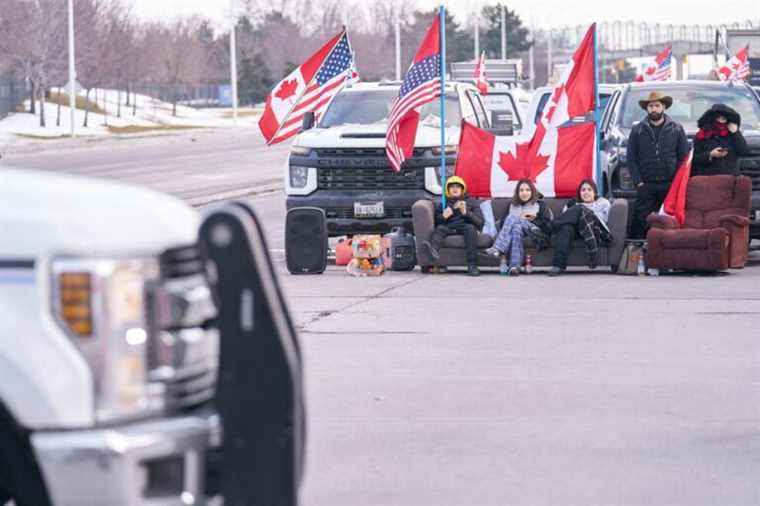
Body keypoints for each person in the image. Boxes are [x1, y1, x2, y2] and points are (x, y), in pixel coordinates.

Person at [626, 91, 690, 239]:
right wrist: (639, 182)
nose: (653, 109)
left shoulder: (677, 129)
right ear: (647, 109)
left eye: (656, 105)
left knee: (668, 220)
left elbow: (683, 158)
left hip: (669, 185)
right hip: (646, 184)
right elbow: (631, 158)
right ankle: (639, 253)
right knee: (641, 221)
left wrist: (676, 182)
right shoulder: (637, 130)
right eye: (650, 106)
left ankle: (667, 254)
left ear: (663, 107)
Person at [482, 179, 553, 276]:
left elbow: (548, 225)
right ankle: (514, 266)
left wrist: (531, 220)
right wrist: (518, 219)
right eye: (521, 190)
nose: (524, 193)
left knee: (512, 217)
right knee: (516, 228)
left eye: (528, 190)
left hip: (536, 232)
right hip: (519, 230)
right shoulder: (512, 205)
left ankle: (498, 247)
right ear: (517, 192)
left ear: (532, 191)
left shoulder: (540, 204)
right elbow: (504, 225)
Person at [420, 176, 484, 276]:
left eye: (458, 186)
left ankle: (472, 265)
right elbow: (437, 222)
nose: (455, 189)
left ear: (462, 189)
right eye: (452, 187)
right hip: (449, 227)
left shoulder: (471, 201)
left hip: (465, 227)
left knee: (471, 229)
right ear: (448, 190)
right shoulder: (444, 203)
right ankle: (433, 253)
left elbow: (480, 223)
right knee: (440, 229)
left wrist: (466, 213)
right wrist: (444, 216)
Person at [548, 179, 612, 277]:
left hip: (595, 230)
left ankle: (550, 228)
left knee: (580, 209)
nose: (586, 192)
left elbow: (604, 220)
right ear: (579, 193)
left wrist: (584, 211)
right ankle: (558, 265)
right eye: (583, 190)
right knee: (566, 228)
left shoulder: (603, 202)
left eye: (589, 190)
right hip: (578, 231)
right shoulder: (572, 204)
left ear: (595, 192)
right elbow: (566, 220)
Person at [691, 103, 750, 177]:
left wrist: (736, 133)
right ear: (712, 119)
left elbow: (744, 151)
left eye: (723, 119)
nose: (721, 122)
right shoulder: (702, 135)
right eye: (718, 118)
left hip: (731, 179)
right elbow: (693, 160)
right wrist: (710, 154)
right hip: (708, 180)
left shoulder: (732, 134)